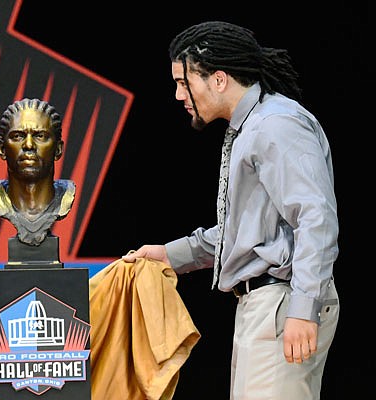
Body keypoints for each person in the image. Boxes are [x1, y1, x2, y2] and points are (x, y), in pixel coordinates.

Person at [122, 21, 339, 400]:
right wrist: (170, 254)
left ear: (218, 79)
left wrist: (303, 308)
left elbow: (315, 218)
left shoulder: (275, 124)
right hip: (264, 304)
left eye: (182, 82)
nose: (177, 95)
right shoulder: (250, 126)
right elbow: (244, 232)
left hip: (282, 301)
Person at [0, 98, 75, 246]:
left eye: (40, 136)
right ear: (2, 150)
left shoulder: (65, 197)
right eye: (18, 136)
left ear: (58, 149)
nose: (29, 145)